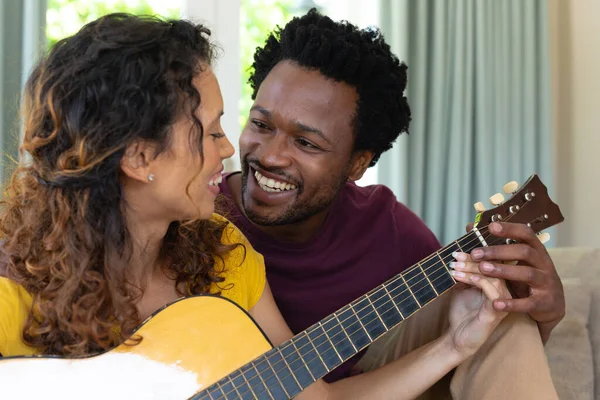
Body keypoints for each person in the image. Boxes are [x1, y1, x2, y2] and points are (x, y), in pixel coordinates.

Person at [0, 12, 521, 400]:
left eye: (226, 126)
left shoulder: (225, 252)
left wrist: (454, 345)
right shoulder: (14, 270)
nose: (230, 152)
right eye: (208, 132)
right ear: (138, 156)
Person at [218, 8, 564, 399]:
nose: (271, 156)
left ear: (357, 163)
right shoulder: (197, 225)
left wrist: (542, 317)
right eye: (261, 125)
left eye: (306, 143)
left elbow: (477, 356)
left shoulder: (395, 235)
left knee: (495, 310)